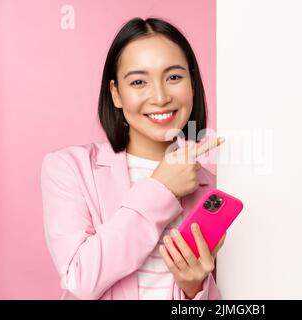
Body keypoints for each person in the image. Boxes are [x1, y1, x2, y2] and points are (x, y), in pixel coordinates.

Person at [40, 17, 225, 300]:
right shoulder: (69, 168)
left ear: (192, 84)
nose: (161, 97)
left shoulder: (213, 190)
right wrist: (160, 189)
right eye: (139, 81)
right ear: (116, 93)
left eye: (174, 77)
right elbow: (79, 277)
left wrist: (193, 290)